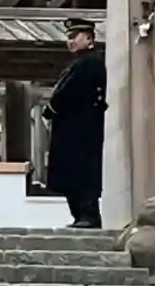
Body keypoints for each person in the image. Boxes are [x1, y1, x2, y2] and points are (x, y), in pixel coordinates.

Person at [44, 20, 108, 228]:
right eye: (68, 38)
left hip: (81, 129)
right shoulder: (79, 63)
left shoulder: (88, 63)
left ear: (89, 38)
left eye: (74, 37)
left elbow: (67, 92)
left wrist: (50, 109)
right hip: (74, 127)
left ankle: (88, 215)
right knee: (72, 173)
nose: (70, 41)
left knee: (82, 172)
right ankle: (80, 215)